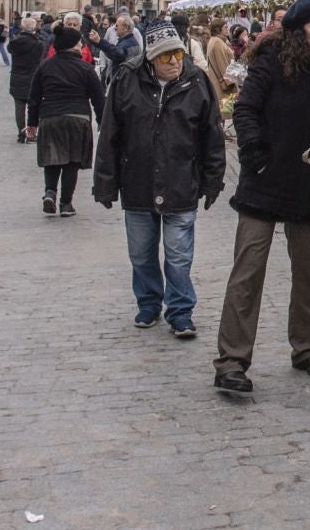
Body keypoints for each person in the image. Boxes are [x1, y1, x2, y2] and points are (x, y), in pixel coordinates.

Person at [214, 0, 310, 394]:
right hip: (263, 181)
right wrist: (255, 153)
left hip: (305, 184)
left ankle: (306, 347)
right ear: (299, 30)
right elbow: (245, 109)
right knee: (247, 273)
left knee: (309, 274)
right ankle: (232, 359)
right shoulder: (269, 61)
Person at [93, 23, 226, 339]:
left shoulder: (196, 83)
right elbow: (110, 134)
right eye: (166, 57)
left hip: (181, 182)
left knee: (179, 256)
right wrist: (105, 182)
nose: (174, 61)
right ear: (151, 59)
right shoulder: (127, 80)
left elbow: (212, 136)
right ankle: (149, 303)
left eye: (178, 54)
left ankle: (180, 312)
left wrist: (212, 181)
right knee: (141, 253)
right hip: (138, 182)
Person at [27, 25, 104, 217]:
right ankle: (66, 204)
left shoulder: (45, 66)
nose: (81, 45)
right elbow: (98, 99)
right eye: (79, 42)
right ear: (72, 45)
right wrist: (104, 123)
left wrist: (32, 124)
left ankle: (50, 192)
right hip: (78, 118)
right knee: (72, 162)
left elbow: (34, 97)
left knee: (52, 159)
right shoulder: (85, 68)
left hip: (50, 116)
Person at [8, 14, 46, 143]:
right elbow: (41, 59)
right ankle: (32, 132)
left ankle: (21, 133)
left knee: (19, 107)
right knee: (34, 106)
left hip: (17, 77)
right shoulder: (38, 43)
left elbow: (10, 49)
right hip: (33, 76)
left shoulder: (14, 42)